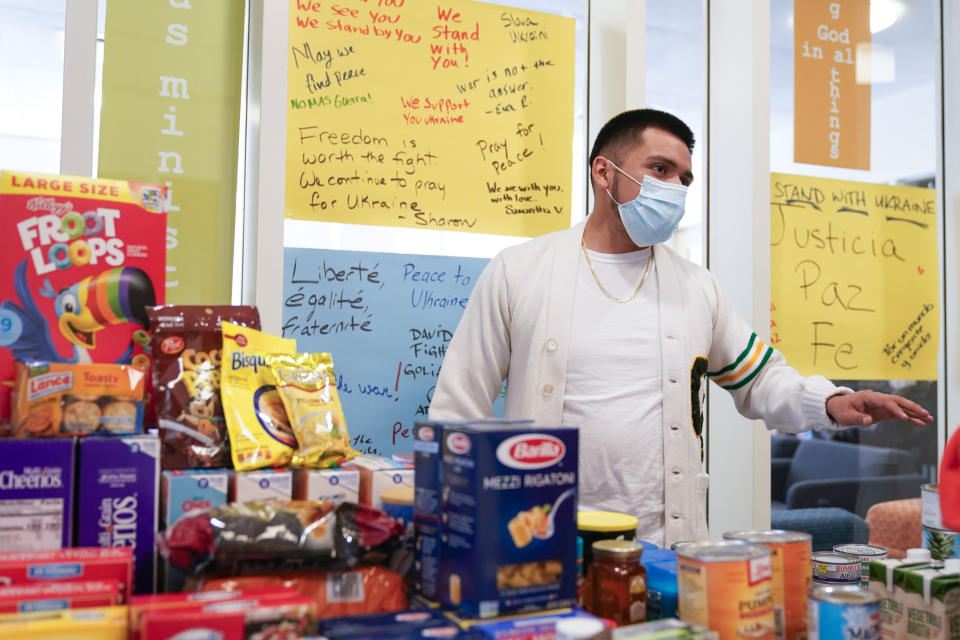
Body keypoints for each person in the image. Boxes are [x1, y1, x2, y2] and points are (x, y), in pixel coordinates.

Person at [427, 108, 932, 546]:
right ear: (604, 172)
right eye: (660, 169)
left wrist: (828, 402)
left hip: (665, 542)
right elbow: (459, 405)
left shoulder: (696, 287)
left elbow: (759, 378)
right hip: (542, 534)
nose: (674, 189)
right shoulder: (520, 270)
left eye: (684, 179)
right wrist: (462, 526)